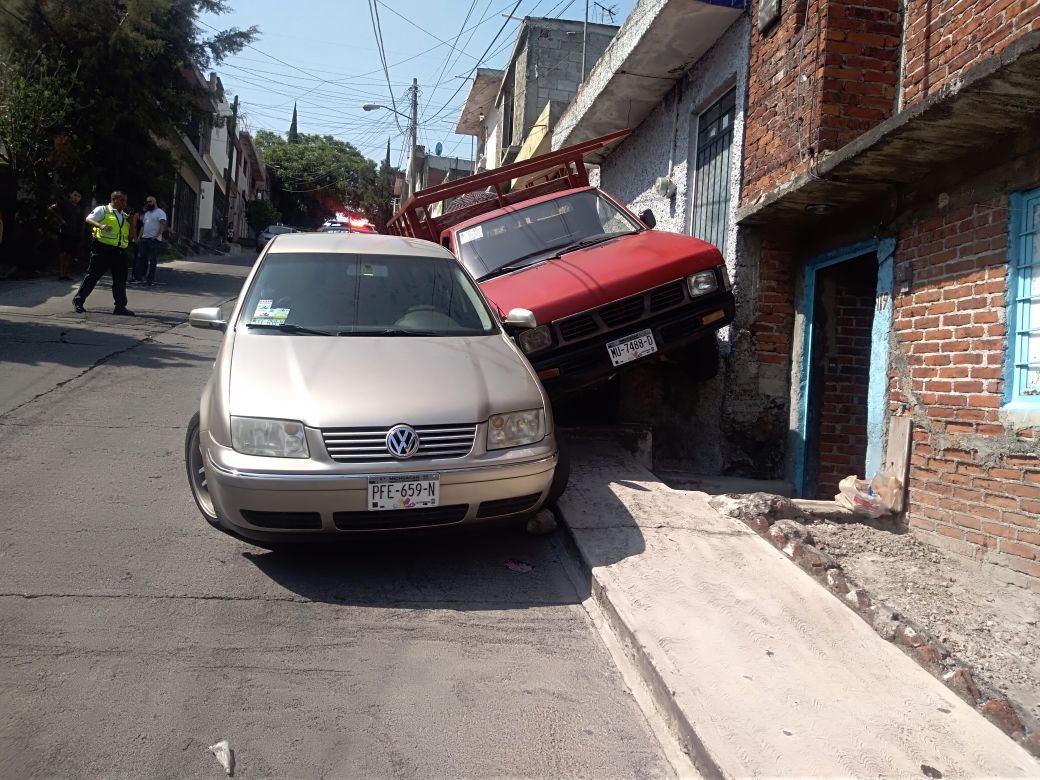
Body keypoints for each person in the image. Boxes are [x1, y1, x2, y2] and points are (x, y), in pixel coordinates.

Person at [72, 190, 134, 316]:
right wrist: (100, 226)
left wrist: (132, 222)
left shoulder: (124, 216)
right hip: (102, 249)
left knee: (120, 280)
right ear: (114, 199)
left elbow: (132, 236)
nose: (124, 203)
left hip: (119, 251)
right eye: (122, 200)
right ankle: (78, 301)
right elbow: (89, 219)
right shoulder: (103, 210)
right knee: (92, 276)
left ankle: (120, 307)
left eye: (125, 201)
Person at [48, 189, 84, 281]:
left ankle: (66, 274)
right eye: (75, 195)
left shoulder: (79, 208)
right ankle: (61, 273)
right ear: (70, 195)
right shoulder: (64, 204)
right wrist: (60, 219)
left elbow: (80, 221)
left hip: (74, 233)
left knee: (69, 254)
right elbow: (51, 208)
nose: (76, 198)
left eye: (78, 196)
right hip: (64, 232)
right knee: (62, 252)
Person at [131, 194, 167, 285]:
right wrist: (139, 237)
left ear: (155, 202)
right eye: (147, 202)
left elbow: (163, 224)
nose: (148, 203)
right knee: (141, 258)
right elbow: (143, 226)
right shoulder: (147, 213)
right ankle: (139, 278)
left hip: (154, 240)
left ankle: (150, 280)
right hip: (144, 239)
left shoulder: (160, 212)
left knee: (152, 260)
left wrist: (157, 235)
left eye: (150, 201)